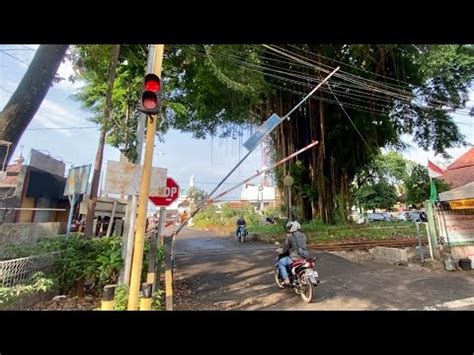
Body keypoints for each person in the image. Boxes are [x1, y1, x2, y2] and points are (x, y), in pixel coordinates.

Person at [278, 220, 308, 285]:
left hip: (295, 258)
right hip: (304, 257)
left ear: (291, 228)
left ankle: (286, 279)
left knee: (281, 262)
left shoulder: (290, 237)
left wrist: (281, 251)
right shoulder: (303, 235)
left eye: (289, 227)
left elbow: (285, 248)